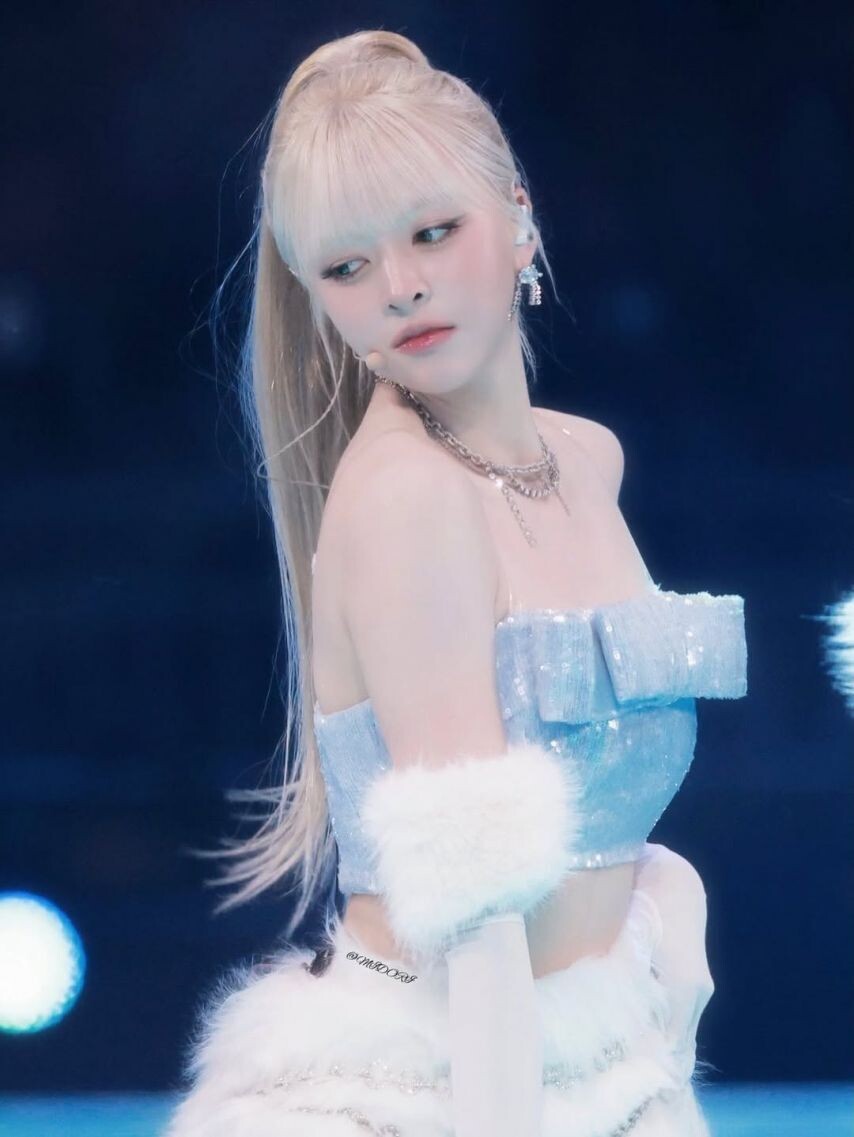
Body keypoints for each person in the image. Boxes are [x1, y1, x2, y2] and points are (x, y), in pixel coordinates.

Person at [164, 28, 748, 1137]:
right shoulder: (406, 500)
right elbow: (477, 914)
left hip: (590, 1063)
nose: (401, 286)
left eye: (433, 231)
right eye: (347, 267)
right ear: (318, 299)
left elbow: (596, 822)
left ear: (519, 215)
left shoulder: (586, 460)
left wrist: (669, 899)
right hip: (422, 1093)